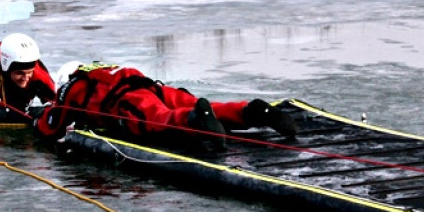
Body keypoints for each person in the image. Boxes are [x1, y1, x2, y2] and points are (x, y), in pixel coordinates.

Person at [32, 61, 297, 149]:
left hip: (127, 101)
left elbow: (51, 125)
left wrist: (37, 118)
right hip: (154, 87)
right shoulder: (100, 69)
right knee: (202, 105)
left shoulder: (72, 86)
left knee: (159, 120)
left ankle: (194, 121)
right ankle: (249, 111)